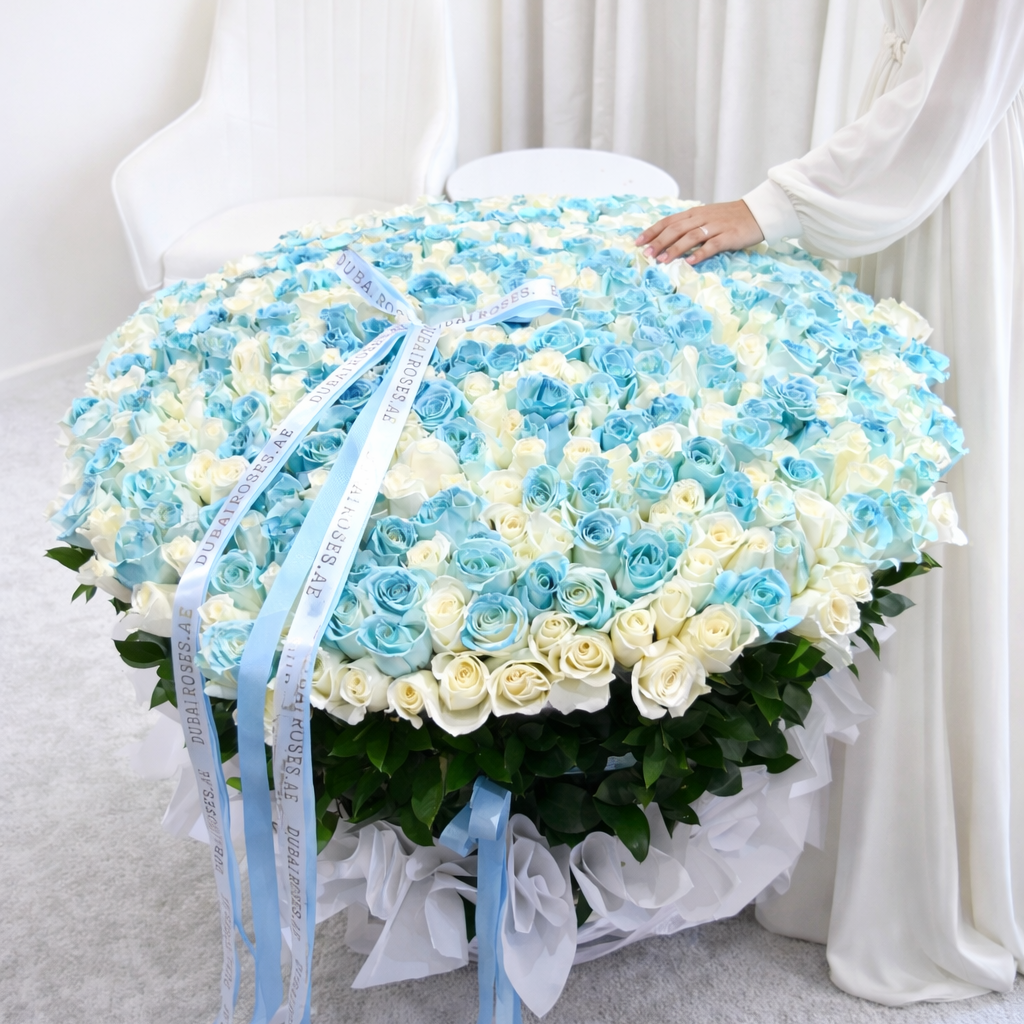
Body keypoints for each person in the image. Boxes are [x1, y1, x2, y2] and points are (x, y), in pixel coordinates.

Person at [636, 0, 1024, 1007]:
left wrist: (770, 205)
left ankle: (922, 872)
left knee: (928, 502)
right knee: (873, 492)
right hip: (911, 189)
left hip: (942, 196)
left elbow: (948, 95)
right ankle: (848, 840)